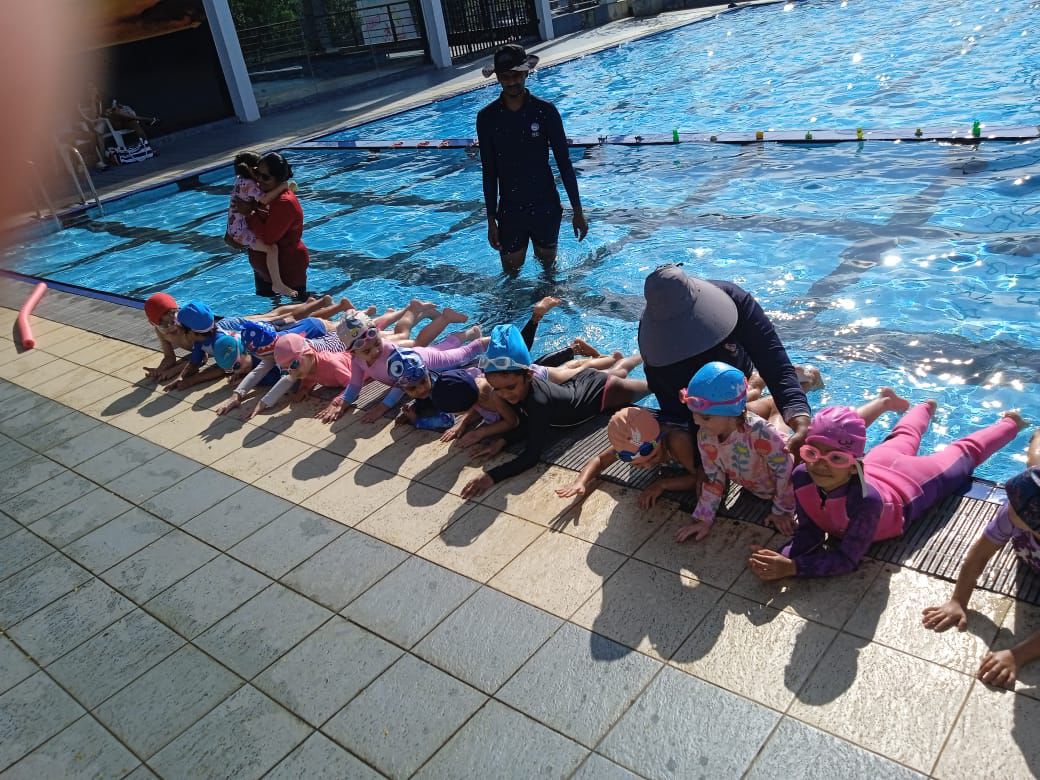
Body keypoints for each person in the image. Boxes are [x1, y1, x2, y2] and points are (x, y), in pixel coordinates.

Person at [748, 402, 1027, 580]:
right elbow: (810, 531)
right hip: (878, 462)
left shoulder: (866, 502)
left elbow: (847, 559)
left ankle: (1012, 422)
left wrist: (794, 568)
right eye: (812, 453)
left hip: (911, 484)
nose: (820, 465)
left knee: (965, 453)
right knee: (903, 436)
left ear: (854, 463)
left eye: (836, 458)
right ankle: (924, 406)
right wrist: (780, 556)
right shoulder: (802, 476)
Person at [637, 263, 811, 458]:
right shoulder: (654, 346)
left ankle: (789, 385)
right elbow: (675, 408)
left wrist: (798, 415)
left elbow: (773, 362)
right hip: (697, 393)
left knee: (740, 414)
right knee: (721, 419)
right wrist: (701, 457)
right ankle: (758, 386)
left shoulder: (734, 299)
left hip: (732, 368)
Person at [460, 325, 649, 499]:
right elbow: (528, 423)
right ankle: (640, 355)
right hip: (583, 381)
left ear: (529, 375)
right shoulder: (519, 391)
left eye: (510, 387)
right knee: (620, 369)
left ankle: (649, 355)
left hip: (604, 393)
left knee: (652, 385)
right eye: (497, 389)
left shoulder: (538, 401)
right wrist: (502, 441)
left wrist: (491, 476)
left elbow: (531, 456)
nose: (504, 394)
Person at [922, 429, 1040, 689]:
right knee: (1036, 459)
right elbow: (980, 553)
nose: (1009, 506)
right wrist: (958, 600)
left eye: (1016, 507)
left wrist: (1017, 655)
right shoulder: (1015, 510)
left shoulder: (1022, 510)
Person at [476, 44, 588, 274]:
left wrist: (577, 210)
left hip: (545, 205)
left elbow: (564, 163)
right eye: (505, 77)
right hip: (510, 209)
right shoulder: (487, 118)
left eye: (517, 75)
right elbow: (489, 171)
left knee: (549, 272)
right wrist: (490, 219)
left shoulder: (545, 111)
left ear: (526, 72)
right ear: (498, 78)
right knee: (510, 274)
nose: (512, 82)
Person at [317, 312, 487, 425]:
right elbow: (355, 384)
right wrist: (343, 402)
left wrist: (383, 407)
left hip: (428, 361)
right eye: (367, 351)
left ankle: (483, 341)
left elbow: (399, 385)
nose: (375, 351)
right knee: (441, 347)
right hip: (421, 357)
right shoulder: (357, 360)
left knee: (461, 355)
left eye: (377, 343)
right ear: (353, 352)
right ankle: (469, 333)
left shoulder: (391, 353)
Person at [556, 405, 700, 509]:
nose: (647, 466)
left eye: (653, 457)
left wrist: (662, 484)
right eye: (637, 464)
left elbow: (701, 478)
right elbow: (600, 460)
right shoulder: (629, 444)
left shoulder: (677, 441)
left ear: (659, 440)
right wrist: (581, 482)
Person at [230, 152, 310, 298]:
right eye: (257, 174)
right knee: (272, 308)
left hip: (288, 268)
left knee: (300, 307)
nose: (259, 180)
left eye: (265, 177)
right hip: (262, 268)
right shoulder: (261, 191)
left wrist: (249, 213)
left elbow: (268, 237)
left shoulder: (284, 203)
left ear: (279, 179)